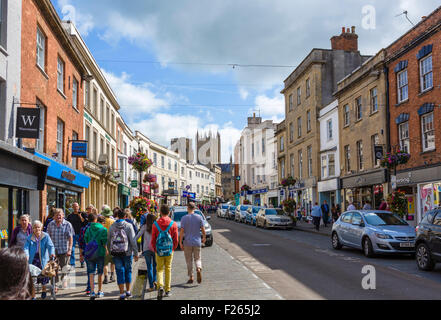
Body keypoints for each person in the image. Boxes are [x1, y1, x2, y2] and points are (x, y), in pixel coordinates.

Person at [107, 208, 139, 300]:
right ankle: (128, 291)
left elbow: (109, 240)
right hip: (127, 253)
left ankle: (121, 293)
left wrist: (110, 251)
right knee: (128, 271)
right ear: (125, 216)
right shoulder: (128, 226)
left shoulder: (112, 226)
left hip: (116, 253)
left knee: (119, 271)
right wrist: (136, 253)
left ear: (117, 216)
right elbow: (133, 241)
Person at [151, 204, 178, 300]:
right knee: (168, 269)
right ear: (169, 212)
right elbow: (176, 240)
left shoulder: (155, 224)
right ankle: (167, 290)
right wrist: (173, 248)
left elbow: (153, 239)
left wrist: (155, 249)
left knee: (159, 269)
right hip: (169, 250)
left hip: (159, 251)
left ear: (160, 212)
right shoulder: (173, 224)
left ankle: (160, 286)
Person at [23, 220, 55, 300]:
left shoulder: (45, 236)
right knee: (33, 277)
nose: (37, 229)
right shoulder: (29, 237)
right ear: (32, 228)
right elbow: (26, 248)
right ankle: (33, 295)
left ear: (41, 227)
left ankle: (44, 290)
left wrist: (52, 253)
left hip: (43, 259)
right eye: (35, 227)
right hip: (33, 259)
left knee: (43, 276)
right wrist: (26, 255)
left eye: (38, 227)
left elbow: (51, 246)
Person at [46, 208, 74, 290]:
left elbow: (70, 238)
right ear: (53, 216)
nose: (58, 216)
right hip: (53, 250)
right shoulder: (50, 224)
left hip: (64, 250)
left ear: (63, 216)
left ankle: (64, 278)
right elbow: (47, 237)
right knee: (53, 268)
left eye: (60, 215)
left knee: (64, 267)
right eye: (56, 215)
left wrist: (69, 249)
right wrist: (47, 249)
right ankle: (55, 285)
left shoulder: (67, 224)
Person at [179, 202, 206, 285]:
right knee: (197, 258)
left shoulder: (184, 218)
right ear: (194, 208)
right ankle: (198, 268)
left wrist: (180, 242)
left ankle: (191, 277)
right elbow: (203, 229)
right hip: (197, 241)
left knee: (189, 260)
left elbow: (182, 231)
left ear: (187, 208)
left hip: (187, 242)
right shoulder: (199, 217)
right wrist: (204, 237)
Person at [84, 212, 108, 300]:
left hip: (89, 254)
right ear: (96, 220)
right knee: (100, 273)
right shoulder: (103, 229)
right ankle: (100, 291)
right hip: (100, 253)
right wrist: (106, 250)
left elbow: (86, 241)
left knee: (91, 273)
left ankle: (92, 292)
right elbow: (104, 242)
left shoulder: (88, 229)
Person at [135, 213, 157, 292]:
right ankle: (155, 281)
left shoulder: (144, 227)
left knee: (149, 267)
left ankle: (151, 286)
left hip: (146, 249)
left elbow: (137, 237)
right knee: (155, 266)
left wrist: (133, 245)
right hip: (155, 248)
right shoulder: (156, 226)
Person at [66, 203, 88, 268]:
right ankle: (72, 264)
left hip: (81, 234)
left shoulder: (83, 214)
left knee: (81, 249)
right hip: (72, 234)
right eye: (74, 206)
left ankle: (82, 262)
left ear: (79, 207)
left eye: (77, 206)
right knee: (72, 249)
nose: (76, 208)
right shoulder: (70, 216)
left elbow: (85, 223)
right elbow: (68, 225)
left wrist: (80, 216)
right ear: (72, 207)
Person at [102, 205, 116, 284]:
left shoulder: (102, 222)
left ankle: (106, 277)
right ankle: (113, 275)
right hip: (112, 242)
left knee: (105, 262)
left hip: (104, 242)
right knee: (112, 261)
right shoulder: (113, 221)